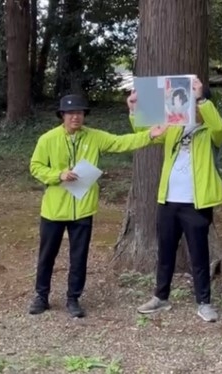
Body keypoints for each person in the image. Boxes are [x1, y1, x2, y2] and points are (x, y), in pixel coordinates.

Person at [28, 94, 168, 318]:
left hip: (83, 207)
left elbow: (120, 142)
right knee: (47, 255)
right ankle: (41, 296)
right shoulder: (48, 139)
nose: (76, 117)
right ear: (62, 115)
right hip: (54, 209)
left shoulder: (93, 137)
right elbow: (35, 167)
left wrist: (149, 135)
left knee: (79, 256)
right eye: (71, 113)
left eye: (80, 113)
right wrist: (58, 174)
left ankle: (73, 299)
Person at [127, 77, 222, 322]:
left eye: (194, 104)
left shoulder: (209, 131)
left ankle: (204, 302)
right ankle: (160, 297)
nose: (190, 108)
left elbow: (221, 130)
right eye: (189, 104)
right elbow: (147, 133)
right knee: (166, 251)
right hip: (168, 201)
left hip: (197, 203)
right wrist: (134, 109)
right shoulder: (173, 127)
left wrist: (200, 97)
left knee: (199, 253)